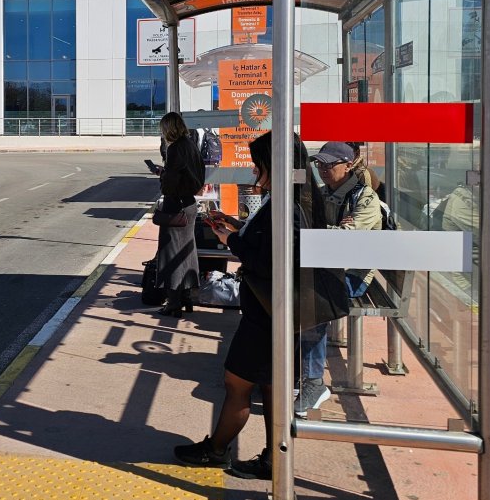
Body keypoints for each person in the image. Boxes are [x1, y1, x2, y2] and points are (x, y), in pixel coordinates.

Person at [172, 132, 348, 479]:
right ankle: (272, 458)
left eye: (259, 165)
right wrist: (238, 227)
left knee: (237, 383)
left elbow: (272, 259)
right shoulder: (295, 196)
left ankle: (216, 450)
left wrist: (231, 240)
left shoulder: (287, 205)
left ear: (275, 164)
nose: (255, 172)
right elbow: (273, 243)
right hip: (274, 313)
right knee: (271, 386)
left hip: (267, 314)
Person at [296, 140, 383, 416]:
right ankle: (294, 372)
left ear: (347, 166)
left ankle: (313, 382)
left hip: (353, 276)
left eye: (329, 164)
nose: (323, 169)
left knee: (313, 305)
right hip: (329, 267)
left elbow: (346, 242)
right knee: (293, 290)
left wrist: (326, 231)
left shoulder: (364, 198)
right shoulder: (324, 192)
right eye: (319, 164)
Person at [152, 112, 205, 318]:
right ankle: (187, 295)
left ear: (168, 128)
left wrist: (162, 174)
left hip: (176, 206)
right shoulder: (191, 145)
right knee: (187, 251)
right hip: (190, 204)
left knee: (170, 252)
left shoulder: (174, 149)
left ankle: (173, 302)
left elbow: (170, 184)